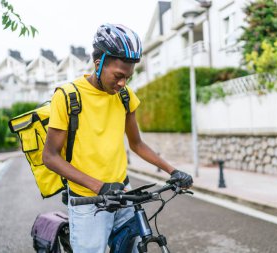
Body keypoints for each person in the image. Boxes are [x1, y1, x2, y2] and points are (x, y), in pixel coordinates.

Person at [42, 23, 193, 253]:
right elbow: (50, 157)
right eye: (119, 75)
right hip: (88, 202)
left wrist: (173, 171)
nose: (123, 83)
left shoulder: (124, 96)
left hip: (123, 194)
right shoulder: (67, 96)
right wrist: (100, 187)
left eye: (128, 77)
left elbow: (137, 144)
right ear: (98, 63)